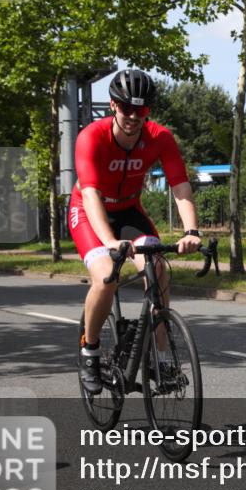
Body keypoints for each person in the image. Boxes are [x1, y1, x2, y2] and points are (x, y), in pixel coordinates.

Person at [69, 69, 201, 395]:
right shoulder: (91, 137)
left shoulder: (160, 138)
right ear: (113, 105)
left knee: (157, 268)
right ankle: (90, 350)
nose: (133, 116)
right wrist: (110, 242)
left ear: (148, 111)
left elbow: (180, 186)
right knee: (106, 276)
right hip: (89, 210)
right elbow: (90, 194)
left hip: (129, 210)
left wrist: (191, 231)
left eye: (140, 110)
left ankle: (161, 360)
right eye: (127, 108)